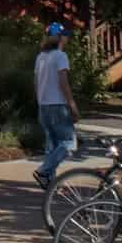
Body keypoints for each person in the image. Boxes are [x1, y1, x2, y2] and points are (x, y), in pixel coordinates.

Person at [32, 22, 80, 187]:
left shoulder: (41, 57)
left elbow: (36, 82)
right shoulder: (61, 56)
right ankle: (43, 170)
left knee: (51, 146)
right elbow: (63, 82)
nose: (67, 38)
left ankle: (50, 183)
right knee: (69, 143)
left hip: (44, 105)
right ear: (60, 37)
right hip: (58, 105)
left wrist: (39, 103)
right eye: (65, 35)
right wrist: (72, 106)